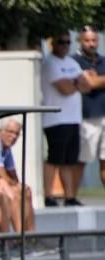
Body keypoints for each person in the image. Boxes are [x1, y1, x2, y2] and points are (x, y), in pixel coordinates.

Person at [41, 32, 88, 207]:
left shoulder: (72, 63)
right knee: (54, 159)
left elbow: (87, 85)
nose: (65, 45)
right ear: (53, 43)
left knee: (70, 160)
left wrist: (75, 83)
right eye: (61, 42)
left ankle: (69, 196)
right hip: (56, 119)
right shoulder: (50, 63)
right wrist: (77, 82)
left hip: (73, 118)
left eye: (68, 42)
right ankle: (48, 195)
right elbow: (65, 89)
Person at [0, 118, 36, 232]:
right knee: (15, 193)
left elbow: (12, 173)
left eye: (17, 133)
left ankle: (31, 233)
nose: (14, 136)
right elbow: (2, 174)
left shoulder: (7, 148)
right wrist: (15, 185)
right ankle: (19, 235)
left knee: (26, 190)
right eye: (10, 132)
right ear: (0, 131)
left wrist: (19, 184)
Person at [73, 26, 105, 196]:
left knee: (104, 160)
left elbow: (92, 83)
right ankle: (71, 197)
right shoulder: (74, 61)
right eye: (87, 40)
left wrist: (94, 80)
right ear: (80, 41)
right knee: (82, 160)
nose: (91, 44)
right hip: (86, 118)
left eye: (94, 40)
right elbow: (87, 85)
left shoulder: (103, 60)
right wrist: (94, 81)